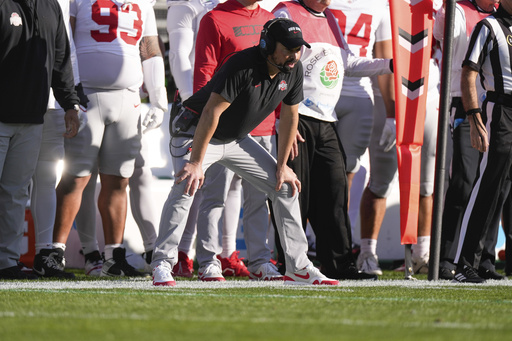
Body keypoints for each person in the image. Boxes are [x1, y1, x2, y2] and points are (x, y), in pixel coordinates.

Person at [151, 18, 339, 286]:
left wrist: (283, 165)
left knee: (284, 187)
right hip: (197, 130)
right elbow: (211, 112)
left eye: (298, 49)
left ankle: (299, 267)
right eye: (288, 48)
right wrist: (195, 163)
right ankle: (162, 262)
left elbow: (288, 118)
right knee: (187, 185)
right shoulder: (241, 64)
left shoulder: (293, 69)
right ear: (267, 45)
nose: (294, 55)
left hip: (236, 138)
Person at [40, 0, 166, 278]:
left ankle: (113, 256)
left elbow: (149, 47)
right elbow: (66, 40)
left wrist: (159, 100)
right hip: (87, 96)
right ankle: (55, 252)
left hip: (129, 97)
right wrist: (70, 94)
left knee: (118, 180)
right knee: (77, 176)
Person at [271, 0, 391, 280]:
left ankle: (339, 265)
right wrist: (282, 117)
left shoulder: (329, 18)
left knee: (335, 193)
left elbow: (347, 62)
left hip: (326, 118)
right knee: (293, 195)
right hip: (295, 118)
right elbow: (273, 65)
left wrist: (390, 65)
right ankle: (291, 265)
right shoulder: (286, 13)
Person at [192, 0, 279, 281]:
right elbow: (204, 74)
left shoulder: (270, 18)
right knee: (213, 197)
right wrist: (200, 120)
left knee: (259, 199)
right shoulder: (214, 19)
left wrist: (282, 117)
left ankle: (260, 261)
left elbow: (282, 73)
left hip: (263, 125)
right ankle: (208, 260)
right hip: (223, 127)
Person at [0, 0, 80, 280]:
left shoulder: (50, 7)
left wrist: (70, 103)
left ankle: (6, 261)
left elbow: (60, 59)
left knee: (16, 192)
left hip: (33, 117)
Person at [434, 0, 504, 281]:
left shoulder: (502, 17)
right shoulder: (458, 10)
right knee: (464, 180)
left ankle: (484, 257)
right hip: (464, 101)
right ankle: (447, 256)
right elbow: (444, 36)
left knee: (496, 184)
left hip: (495, 104)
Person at [453, 0, 512, 283]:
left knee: (504, 190)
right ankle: (465, 263)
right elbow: (469, 71)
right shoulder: (488, 26)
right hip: (500, 110)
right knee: (487, 186)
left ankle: (487, 261)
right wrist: (475, 117)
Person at [30, 0, 88, 279]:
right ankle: (7, 254)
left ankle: (45, 252)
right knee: (11, 182)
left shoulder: (56, 4)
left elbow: (65, 53)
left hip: (52, 103)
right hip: (15, 102)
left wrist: (71, 102)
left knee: (45, 178)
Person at [165, 0, 222, 278]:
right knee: (190, 182)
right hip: (197, 105)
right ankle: (179, 253)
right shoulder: (187, 4)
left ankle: (221, 253)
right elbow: (178, 57)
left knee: (226, 187)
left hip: (228, 103)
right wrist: (196, 104)